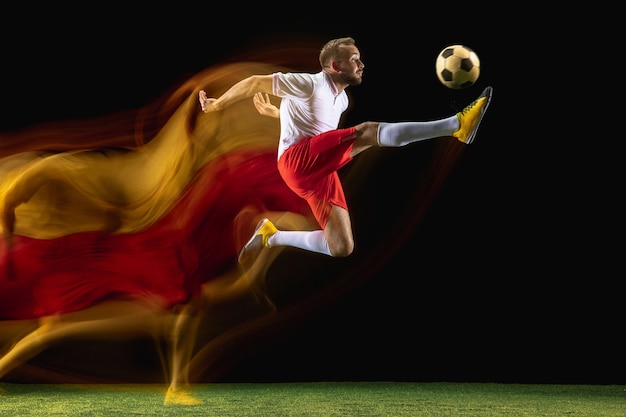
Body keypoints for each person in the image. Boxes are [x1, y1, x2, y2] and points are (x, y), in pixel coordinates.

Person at [199, 37, 493, 264]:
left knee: (341, 246)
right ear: (335, 66)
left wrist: (277, 114)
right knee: (366, 132)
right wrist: (217, 104)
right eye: (354, 59)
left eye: (360, 58)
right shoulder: (309, 82)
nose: (361, 63)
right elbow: (253, 83)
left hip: (315, 169)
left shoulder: (341, 102)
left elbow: (319, 133)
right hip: (295, 163)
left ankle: (270, 237)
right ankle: (456, 125)